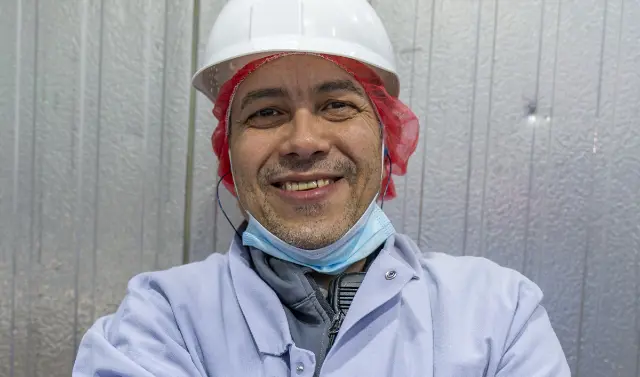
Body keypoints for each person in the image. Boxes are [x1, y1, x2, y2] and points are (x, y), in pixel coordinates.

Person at [72, 0, 571, 375]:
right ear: (229, 152)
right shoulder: (159, 323)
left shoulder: (498, 315)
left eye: (336, 105)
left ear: (385, 139)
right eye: (266, 112)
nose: (304, 141)